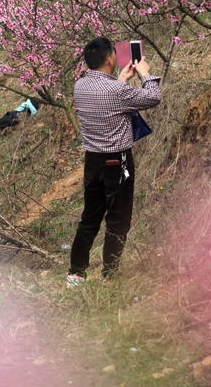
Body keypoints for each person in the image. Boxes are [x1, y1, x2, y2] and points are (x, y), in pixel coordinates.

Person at [67, 37, 161, 287]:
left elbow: (108, 97)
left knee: (90, 218)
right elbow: (153, 97)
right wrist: (144, 73)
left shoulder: (80, 86)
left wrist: (121, 80)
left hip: (92, 162)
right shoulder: (117, 92)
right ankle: (109, 276)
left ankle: (75, 275)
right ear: (110, 59)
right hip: (118, 163)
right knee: (118, 221)